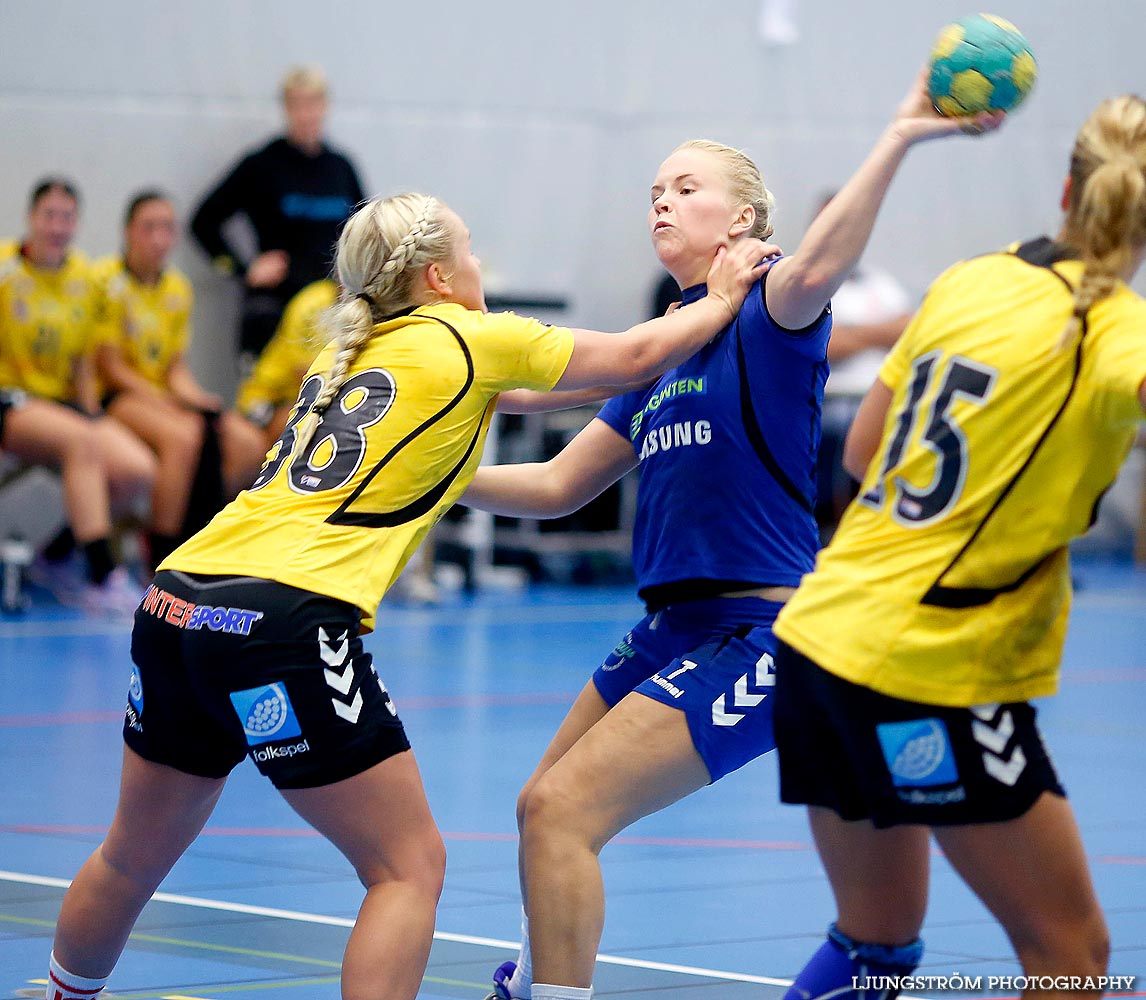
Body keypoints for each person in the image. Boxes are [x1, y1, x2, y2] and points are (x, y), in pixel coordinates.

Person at [42, 191, 772, 1000]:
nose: (479, 263)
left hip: (178, 601)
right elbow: (635, 356)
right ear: (437, 275)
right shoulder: (470, 335)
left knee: (129, 856)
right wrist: (726, 296)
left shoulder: (347, 353)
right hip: (284, 616)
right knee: (407, 867)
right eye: (470, 248)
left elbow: (536, 398)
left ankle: (64, 993)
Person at [460, 70, 1003, 1000]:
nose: (662, 203)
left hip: (762, 628)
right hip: (674, 624)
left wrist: (902, 134)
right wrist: (432, 483)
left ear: (744, 221)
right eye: (655, 192)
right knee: (538, 807)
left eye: (686, 188)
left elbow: (822, 266)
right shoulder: (670, 338)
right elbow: (556, 486)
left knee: (561, 810)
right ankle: (543, 976)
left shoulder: (772, 306)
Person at [771, 93, 1146, 999]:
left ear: (1067, 188)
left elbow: (859, 457)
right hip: (933, 668)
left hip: (820, 638)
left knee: (875, 948)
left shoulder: (973, 279)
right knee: (1071, 957)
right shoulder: (1117, 336)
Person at [0, 178, 154, 616]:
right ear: (31, 219)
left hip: (61, 405)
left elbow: (85, 359)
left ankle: (57, 557)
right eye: (49, 215)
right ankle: (104, 576)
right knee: (81, 442)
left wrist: (91, 413)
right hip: (11, 400)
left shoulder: (85, 279)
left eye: (66, 217)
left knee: (135, 468)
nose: (57, 226)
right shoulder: (6, 270)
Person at [95, 191, 267, 569]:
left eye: (167, 228)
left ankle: (207, 539)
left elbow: (176, 368)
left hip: (159, 395)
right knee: (183, 437)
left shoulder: (177, 288)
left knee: (246, 442)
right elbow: (111, 368)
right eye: (149, 228)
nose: (159, 238)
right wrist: (168, 401)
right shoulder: (106, 280)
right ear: (128, 232)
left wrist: (198, 399)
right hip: (116, 395)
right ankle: (163, 558)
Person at [190, 65, 365, 359]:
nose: (306, 113)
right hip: (277, 306)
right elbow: (203, 222)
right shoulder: (263, 164)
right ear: (286, 108)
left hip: (329, 307)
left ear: (325, 107)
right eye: (297, 104)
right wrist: (243, 269)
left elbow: (365, 229)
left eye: (313, 103)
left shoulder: (341, 168)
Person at [811, 189, 914, 539]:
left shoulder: (879, 282)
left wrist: (850, 334)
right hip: (825, 414)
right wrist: (878, 333)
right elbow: (822, 344)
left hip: (882, 409)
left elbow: (911, 330)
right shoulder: (802, 282)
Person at [235, 276, 338, 448]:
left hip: (313, 400)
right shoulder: (313, 303)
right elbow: (305, 373)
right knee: (314, 425)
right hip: (270, 398)